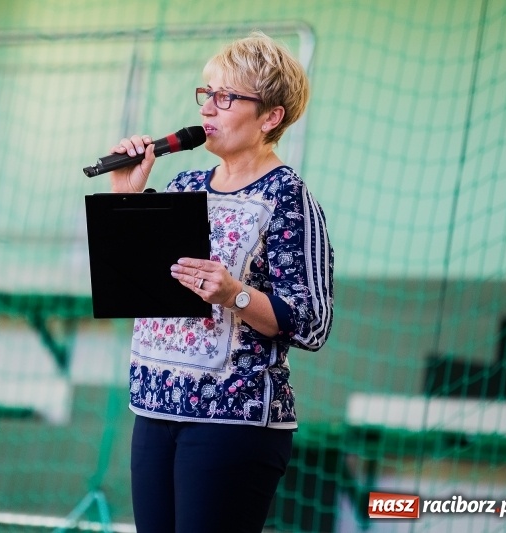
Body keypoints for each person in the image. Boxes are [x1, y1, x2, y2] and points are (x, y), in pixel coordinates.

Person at [107, 31, 334, 533]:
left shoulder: (288, 198)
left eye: (227, 97)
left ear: (270, 117)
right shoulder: (183, 186)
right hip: (154, 407)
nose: (209, 108)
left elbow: (312, 323)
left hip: (234, 420)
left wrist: (236, 294)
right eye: (206, 93)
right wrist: (127, 197)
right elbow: (135, 290)